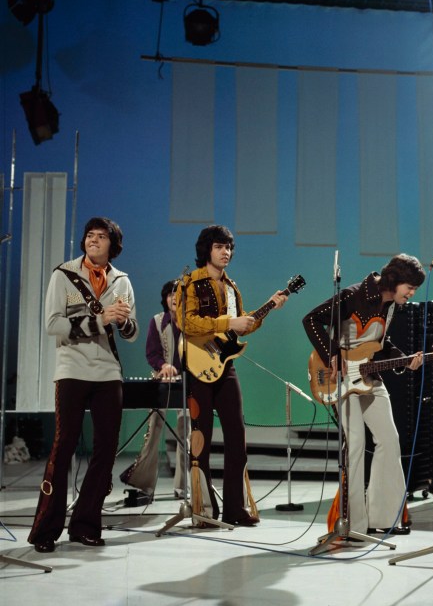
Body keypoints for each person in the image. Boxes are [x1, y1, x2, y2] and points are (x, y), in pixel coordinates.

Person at [28, 217, 138, 553]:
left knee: (106, 452)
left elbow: (131, 333)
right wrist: (99, 319)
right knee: (63, 449)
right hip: (72, 369)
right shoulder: (63, 275)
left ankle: (86, 525)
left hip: (107, 373)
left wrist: (122, 321)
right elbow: (52, 324)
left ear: (112, 245)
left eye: (101, 237)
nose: (93, 241)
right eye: (89, 236)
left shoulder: (122, 281)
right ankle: (46, 529)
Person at [302, 253, 426, 536]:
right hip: (340, 380)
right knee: (356, 443)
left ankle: (382, 518)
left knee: (389, 440)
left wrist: (404, 359)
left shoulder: (390, 306)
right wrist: (332, 355)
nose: (412, 293)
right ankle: (354, 524)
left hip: (369, 378)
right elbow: (311, 320)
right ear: (395, 280)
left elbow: (380, 344)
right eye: (410, 286)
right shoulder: (352, 295)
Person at [176, 224, 288, 527]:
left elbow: (241, 328)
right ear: (206, 250)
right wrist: (229, 322)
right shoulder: (189, 282)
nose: (226, 252)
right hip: (199, 367)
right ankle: (204, 511)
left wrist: (268, 309)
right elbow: (187, 323)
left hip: (225, 367)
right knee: (201, 439)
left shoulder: (231, 287)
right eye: (219, 246)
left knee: (237, 436)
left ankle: (235, 509)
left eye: (229, 247)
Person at [119, 279, 189, 500]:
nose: (174, 298)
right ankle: (144, 485)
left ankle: (183, 487)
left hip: (186, 382)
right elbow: (152, 353)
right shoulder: (157, 321)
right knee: (154, 430)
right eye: (170, 294)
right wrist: (163, 366)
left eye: (178, 294)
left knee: (185, 432)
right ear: (165, 299)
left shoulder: (192, 323)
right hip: (162, 380)